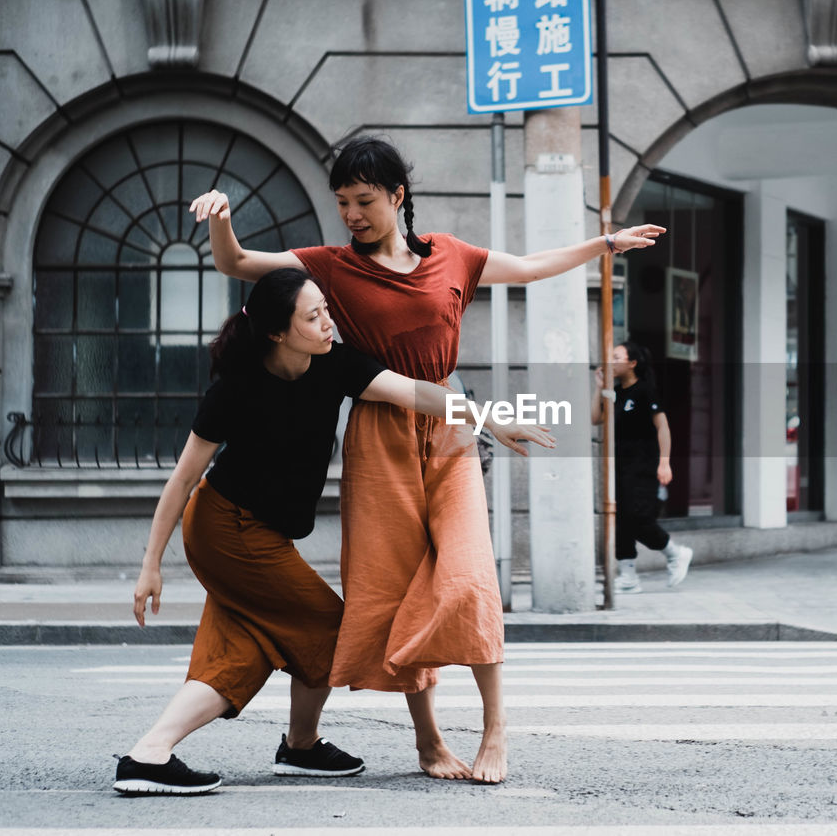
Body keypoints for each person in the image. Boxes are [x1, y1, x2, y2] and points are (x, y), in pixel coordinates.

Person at [189, 135, 664, 784]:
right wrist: (220, 220)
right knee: (398, 589)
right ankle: (429, 741)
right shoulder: (329, 265)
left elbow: (526, 266)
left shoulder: (451, 256)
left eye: (363, 200)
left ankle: (496, 726)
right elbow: (238, 262)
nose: (351, 214)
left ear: (397, 195)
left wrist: (602, 245)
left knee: (470, 575)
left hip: (448, 426)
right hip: (380, 434)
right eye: (342, 202)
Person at [113, 268, 552, 796]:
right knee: (325, 632)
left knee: (240, 646)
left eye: (326, 309)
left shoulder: (334, 364)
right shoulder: (237, 387)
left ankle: (165, 752)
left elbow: (414, 392)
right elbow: (183, 479)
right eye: (313, 315)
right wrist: (150, 566)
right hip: (226, 529)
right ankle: (288, 746)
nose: (328, 322)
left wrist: (486, 419)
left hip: (259, 534)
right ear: (278, 332)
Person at [592, 341, 693, 593]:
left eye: (616, 356)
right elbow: (595, 418)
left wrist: (665, 463)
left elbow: (663, 428)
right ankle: (628, 577)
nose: (611, 360)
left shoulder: (646, 391)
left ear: (632, 363)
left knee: (638, 517)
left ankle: (675, 552)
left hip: (643, 464)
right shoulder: (615, 392)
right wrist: (598, 388)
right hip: (619, 465)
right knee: (621, 519)